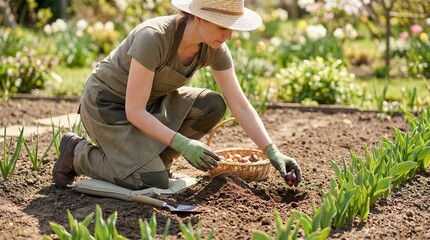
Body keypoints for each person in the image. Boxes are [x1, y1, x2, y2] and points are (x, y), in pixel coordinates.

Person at [52, 0, 302, 190]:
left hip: (149, 105)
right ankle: (77, 154)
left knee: (212, 105)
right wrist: (182, 143)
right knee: (150, 180)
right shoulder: (154, 38)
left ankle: (155, 160)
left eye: (232, 28)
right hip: (107, 106)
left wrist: (272, 152)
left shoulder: (214, 47)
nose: (228, 35)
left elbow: (240, 104)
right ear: (199, 17)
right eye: (222, 26)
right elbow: (134, 111)